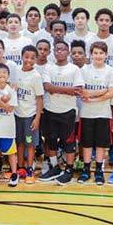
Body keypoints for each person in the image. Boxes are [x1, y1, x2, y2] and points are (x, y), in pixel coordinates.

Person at [40, 41, 83, 184]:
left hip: (68, 110)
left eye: (63, 49)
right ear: (53, 52)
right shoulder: (48, 68)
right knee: (51, 141)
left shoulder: (74, 69)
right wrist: (67, 90)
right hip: (50, 109)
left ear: (68, 52)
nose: (60, 52)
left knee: (69, 142)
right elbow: (47, 87)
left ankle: (69, 169)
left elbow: (77, 90)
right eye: (57, 49)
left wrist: (56, 89)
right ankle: (55, 167)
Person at [79, 41, 113, 184]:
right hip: (86, 113)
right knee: (87, 143)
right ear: (90, 54)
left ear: (106, 55)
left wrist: (94, 97)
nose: (98, 55)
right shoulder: (84, 70)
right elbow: (82, 91)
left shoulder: (110, 71)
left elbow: (111, 93)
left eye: (101, 53)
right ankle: (86, 170)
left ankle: (99, 171)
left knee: (101, 144)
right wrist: (102, 91)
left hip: (103, 113)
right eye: (95, 53)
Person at [14, 45, 44, 182]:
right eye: (26, 57)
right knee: (19, 142)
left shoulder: (36, 76)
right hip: (17, 114)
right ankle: (20, 167)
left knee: (30, 144)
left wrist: (37, 118)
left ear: (36, 59)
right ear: (21, 56)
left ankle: (30, 168)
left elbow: (39, 98)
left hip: (30, 116)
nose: (29, 60)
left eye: (32, 58)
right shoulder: (16, 71)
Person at [0, 63, 19, 186]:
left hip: (7, 129)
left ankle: (14, 173)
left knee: (11, 152)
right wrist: (2, 101)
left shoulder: (11, 90)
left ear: (8, 75)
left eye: (4, 72)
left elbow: (9, 109)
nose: (1, 74)